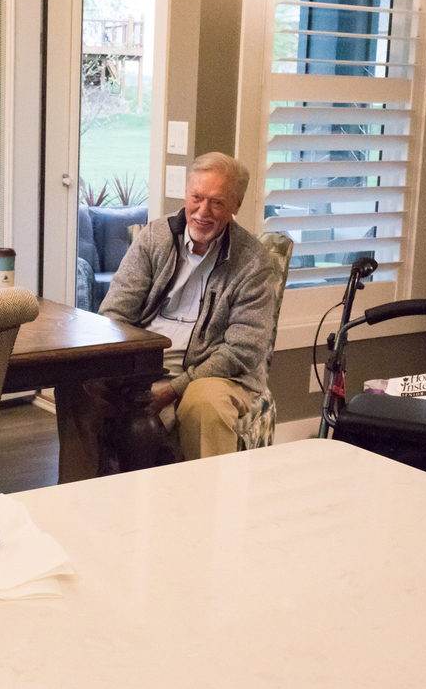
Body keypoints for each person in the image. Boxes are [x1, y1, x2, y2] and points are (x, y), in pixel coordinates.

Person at [56, 152, 278, 482]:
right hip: (144, 364)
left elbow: (241, 352)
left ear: (237, 204)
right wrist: (132, 374)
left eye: (217, 203)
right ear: (185, 194)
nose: (203, 212)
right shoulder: (155, 238)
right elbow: (114, 314)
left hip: (214, 373)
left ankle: (207, 515)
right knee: (78, 385)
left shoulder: (253, 262)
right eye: (197, 198)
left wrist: (173, 389)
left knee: (205, 406)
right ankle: (75, 501)